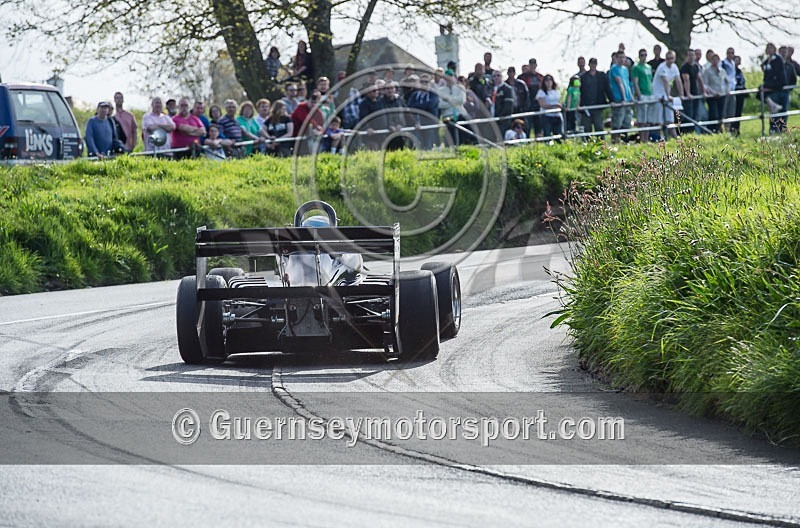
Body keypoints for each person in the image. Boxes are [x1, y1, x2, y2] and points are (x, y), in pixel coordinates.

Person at [652, 50, 684, 139]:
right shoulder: (662, 67)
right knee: (660, 119)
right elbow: (665, 81)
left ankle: (675, 138)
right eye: (668, 58)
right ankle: (661, 138)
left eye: (671, 58)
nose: (670, 60)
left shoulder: (674, 67)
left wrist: (681, 94)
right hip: (658, 95)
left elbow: (678, 80)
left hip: (667, 96)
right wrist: (668, 95)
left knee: (669, 118)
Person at [406, 74, 440, 149]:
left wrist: (417, 106)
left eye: (426, 82)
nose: (424, 84)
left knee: (428, 146)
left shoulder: (433, 94)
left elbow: (430, 105)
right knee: (416, 146)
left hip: (429, 124)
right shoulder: (414, 95)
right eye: (422, 82)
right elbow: (409, 107)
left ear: (430, 83)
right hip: (416, 123)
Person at [579, 58, 610, 136]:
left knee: (599, 127)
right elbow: (579, 92)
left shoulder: (602, 76)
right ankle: (587, 145)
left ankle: (601, 145)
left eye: (594, 63)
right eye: (591, 63)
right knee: (586, 128)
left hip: (598, 106)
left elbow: (607, 89)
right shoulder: (583, 77)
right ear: (589, 64)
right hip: (586, 107)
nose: (593, 65)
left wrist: (611, 100)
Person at [632, 48, 657, 142]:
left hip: (649, 94)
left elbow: (650, 81)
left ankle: (646, 139)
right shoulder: (636, 67)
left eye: (645, 55)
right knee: (641, 119)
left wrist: (653, 93)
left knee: (648, 119)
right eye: (642, 55)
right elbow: (635, 82)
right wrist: (639, 95)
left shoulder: (648, 67)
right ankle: (642, 139)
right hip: (642, 94)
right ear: (639, 56)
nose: (644, 57)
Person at [762, 43, 788, 133]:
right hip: (770, 86)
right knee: (774, 112)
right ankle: (773, 129)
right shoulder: (765, 62)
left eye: (771, 48)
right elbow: (766, 75)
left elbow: (777, 74)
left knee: (783, 111)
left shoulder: (777, 59)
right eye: (768, 48)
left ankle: (782, 129)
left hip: (777, 85)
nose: (769, 50)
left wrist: (771, 85)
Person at [438, 69, 467, 145]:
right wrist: (454, 101)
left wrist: (448, 99)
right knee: (452, 138)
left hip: (460, 115)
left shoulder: (460, 88)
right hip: (448, 117)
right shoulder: (440, 90)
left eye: (451, 76)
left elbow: (462, 100)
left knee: (463, 137)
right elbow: (440, 104)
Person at [609, 51, 634, 142]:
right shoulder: (614, 68)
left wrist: (631, 98)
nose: (622, 59)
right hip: (619, 99)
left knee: (626, 121)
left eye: (624, 57)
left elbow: (627, 84)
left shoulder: (625, 69)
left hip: (627, 99)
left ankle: (624, 140)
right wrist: (623, 99)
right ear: (616, 58)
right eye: (620, 57)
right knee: (617, 122)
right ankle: (615, 141)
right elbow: (619, 83)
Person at [702, 53, 728, 133]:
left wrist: (727, 91)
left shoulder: (722, 71)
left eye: (717, 59)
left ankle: (719, 129)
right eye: (713, 59)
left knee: (721, 114)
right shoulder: (707, 71)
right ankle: (711, 130)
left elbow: (727, 81)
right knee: (714, 114)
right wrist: (713, 92)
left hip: (722, 95)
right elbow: (705, 84)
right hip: (712, 95)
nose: (715, 61)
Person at [680, 49, 703, 132]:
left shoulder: (696, 66)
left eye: (693, 55)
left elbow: (699, 79)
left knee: (695, 115)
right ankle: (685, 132)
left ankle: (693, 132)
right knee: (688, 115)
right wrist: (688, 93)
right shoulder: (684, 67)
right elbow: (686, 80)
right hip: (688, 96)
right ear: (686, 56)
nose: (691, 57)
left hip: (695, 93)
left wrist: (703, 91)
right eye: (689, 55)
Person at [730, 55, 748, 136]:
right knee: (733, 112)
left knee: (738, 112)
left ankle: (737, 129)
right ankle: (732, 128)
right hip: (734, 93)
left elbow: (742, 81)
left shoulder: (739, 71)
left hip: (741, 94)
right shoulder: (731, 71)